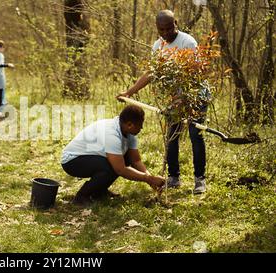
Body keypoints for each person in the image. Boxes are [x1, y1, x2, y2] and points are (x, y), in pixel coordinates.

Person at [116, 10, 208, 194]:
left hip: (195, 96)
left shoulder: (187, 42)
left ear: (176, 23)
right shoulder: (158, 46)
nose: (165, 33)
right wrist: (129, 91)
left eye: (168, 28)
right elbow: (151, 73)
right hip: (175, 99)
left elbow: (196, 76)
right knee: (172, 136)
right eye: (161, 29)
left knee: (194, 136)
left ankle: (199, 180)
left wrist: (182, 100)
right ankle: (174, 178)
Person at [61, 105, 166, 206]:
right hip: (72, 161)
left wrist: (151, 181)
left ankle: (99, 192)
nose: (142, 128)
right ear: (130, 124)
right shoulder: (112, 133)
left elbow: (136, 161)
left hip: (92, 157)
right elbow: (120, 169)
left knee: (122, 160)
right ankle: (81, 197)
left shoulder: (129, 133)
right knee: (110, 167)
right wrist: (149, 179)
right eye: (140, 125)